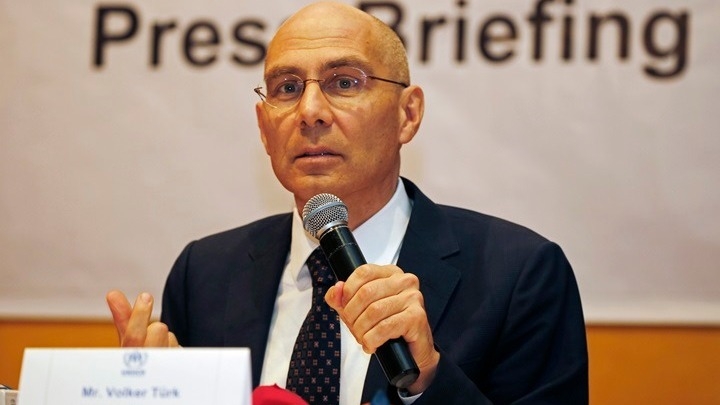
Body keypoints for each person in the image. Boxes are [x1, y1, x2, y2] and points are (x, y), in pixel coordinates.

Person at [106, 1, 588, 404]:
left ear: (408, 114)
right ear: (264, 128)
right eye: (287, 88)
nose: (310, 112)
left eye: (344, 82)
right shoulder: (204, 275)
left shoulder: (520, 275)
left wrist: (427, 380)